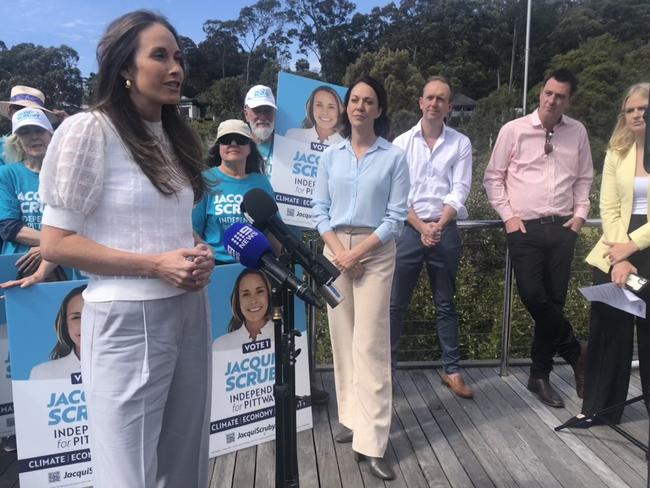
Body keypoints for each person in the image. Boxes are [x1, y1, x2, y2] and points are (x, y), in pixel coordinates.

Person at [38, 10, 214, 488]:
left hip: (190, 312)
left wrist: (198, 252)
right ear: (123, 68)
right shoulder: (87, 130)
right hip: (126, 323)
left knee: (186, 463)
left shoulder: (175, 138)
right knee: (128, 474)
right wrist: (155, 265)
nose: (175, 68)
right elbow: (57, 242)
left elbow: (168, 227)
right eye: (160, 56)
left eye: (179, 57)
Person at [311, 76, 409, 480]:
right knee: (343, 338)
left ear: (379, 110)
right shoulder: (330, 155)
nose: (360, 107)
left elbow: (397, 218)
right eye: (354, 100)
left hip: (374, 254)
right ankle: (352, 419)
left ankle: (373, 442)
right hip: (335, 252)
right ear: (346, 107)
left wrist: (356, 253)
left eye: (369, 101)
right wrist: (339, 252)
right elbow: (318, 208)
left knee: (370, 345)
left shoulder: (393, 157)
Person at [484, 68, 593, 408]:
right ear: (541, 93)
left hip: (562, 227)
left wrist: (579, 216)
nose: (551, 100)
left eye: (559, 96)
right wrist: (509, 217)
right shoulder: (513, 130)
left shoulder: (577, 132)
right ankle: (577, 354)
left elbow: (585, 178)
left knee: (554, 301)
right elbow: (493, 177)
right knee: (533, 295)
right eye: (548, 93)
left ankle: (539, 375)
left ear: (568, 100)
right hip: (525, 229)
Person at [390, 76, 474, 398]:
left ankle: (451, 370)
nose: (435, 103)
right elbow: (396, 195)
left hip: (445, 229)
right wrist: (423, 227)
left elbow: (460, 189)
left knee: (446, 304)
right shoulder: (400, 143)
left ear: (449, 107)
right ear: (420, 102)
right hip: (409, 231)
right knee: (395, 306)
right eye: (430, 98)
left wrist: (438, 224)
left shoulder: (460, 143)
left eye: (442, 99)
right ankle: (387, 373)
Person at [579, 82, 650, 425]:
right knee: (609, 332)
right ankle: (601, 409)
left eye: (644, 107)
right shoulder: (615, 152)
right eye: (632, 109)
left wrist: (633, 246)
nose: (638, 114)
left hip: (644, 245)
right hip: (613, 247)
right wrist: (620, 256)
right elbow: (607, 205)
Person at [192, 119, 274, 264]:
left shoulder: (262, 183)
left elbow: (272, 230)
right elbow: (193, 230)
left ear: (250, 148)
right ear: (219, 147)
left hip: (256, 267)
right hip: (215, 266)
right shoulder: (205, 181)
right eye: (226, 140)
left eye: (241, 140)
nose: (233, 144)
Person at [0, 108, 54, 280]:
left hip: (66, 264)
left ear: (51, 135)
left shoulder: (68, 173)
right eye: (25, 132)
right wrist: (55, 243)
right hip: (18, 264)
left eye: (39, 130)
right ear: (18, 140)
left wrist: (52, 247)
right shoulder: (7, 174)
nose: (33, 136)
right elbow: (8, 227)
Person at [30, 285, 86, 380]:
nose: (85, 324)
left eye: (92, 315)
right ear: (65, 325)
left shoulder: (120, 367)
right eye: (76, 317)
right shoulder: (42, 374)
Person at [212, 269, 272, 351]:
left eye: (259, 291)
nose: (253, 300)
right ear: (238, 301)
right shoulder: (220, 346)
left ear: (269, 295)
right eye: (246, 294)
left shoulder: (289, 339)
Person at [0, 85, 59, 165]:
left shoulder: (58, 146)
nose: (27, 113)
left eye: (35, 111)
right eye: (20, 107)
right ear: (10, 112)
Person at [244, 84, 276, 175]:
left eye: (267, 111)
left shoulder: (288, 147)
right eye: (257, 111)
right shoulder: (239, 148)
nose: (263, 117)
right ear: (246, 114)